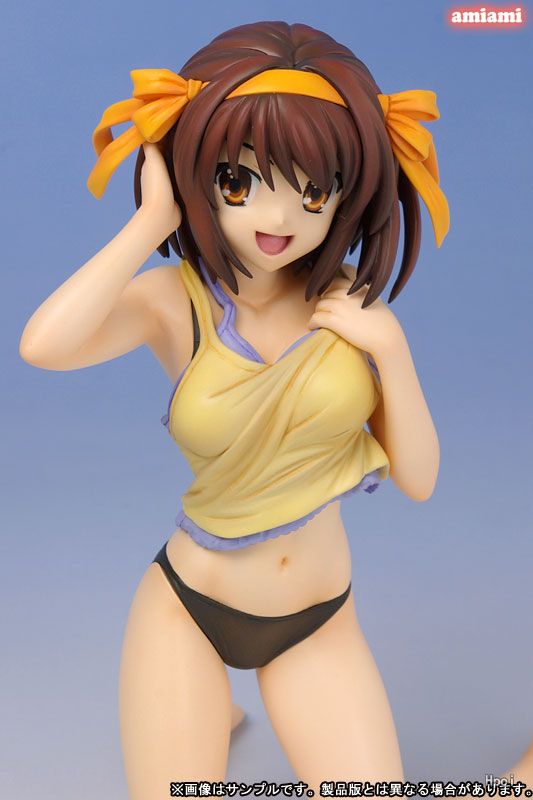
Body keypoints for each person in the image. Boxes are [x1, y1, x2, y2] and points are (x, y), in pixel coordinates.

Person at [19, 20, 532, 800]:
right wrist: (149, 223)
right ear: (197, 175)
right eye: (239, 182)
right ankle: (196, 707)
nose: (279, 217)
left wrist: (391, 350)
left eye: (312, 191)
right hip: (188, 609)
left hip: (316, 621)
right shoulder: (175, 303)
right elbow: (43, 347)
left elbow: (420, 480)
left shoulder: (349, 308)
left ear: (349, 195)